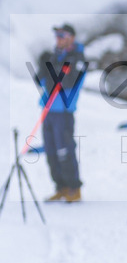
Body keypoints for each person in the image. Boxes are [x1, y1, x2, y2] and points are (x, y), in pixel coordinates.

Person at [36, 23, 88, 203]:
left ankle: (74, 188)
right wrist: (44, 67)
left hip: (64, 111)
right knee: (50, 150)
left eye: (62, 34)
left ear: (71, 38)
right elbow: (43, 81)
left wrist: (52, 71)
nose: (58, 38)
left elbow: (68, 82)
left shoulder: (77, 58)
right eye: (56, 35)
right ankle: (61, 187)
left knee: (64, 150)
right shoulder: (53, 57)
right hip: (48, 109)